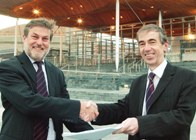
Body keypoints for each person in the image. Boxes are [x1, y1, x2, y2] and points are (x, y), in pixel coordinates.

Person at [92, 24, 196, 140]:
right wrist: (94, 110)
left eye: (152, 42)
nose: (146, 48)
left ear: (165, 46)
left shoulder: (187, 77)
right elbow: (123, 109)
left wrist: (140, 124)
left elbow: (182, 118)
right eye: (142, 43)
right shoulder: (138, 82)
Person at [0, 18, 98, 140]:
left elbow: (64, 112)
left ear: (49, 43)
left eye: (45, 39)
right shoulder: (8, 68)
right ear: (24, 38)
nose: (40, 42)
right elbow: (30, 103)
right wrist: (78, 107)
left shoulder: (57, 73)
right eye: (35, 37)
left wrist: (95, 136)